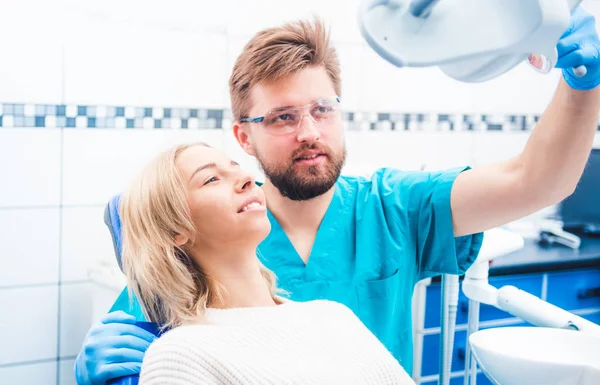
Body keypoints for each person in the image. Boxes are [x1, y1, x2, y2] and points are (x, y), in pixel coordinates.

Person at [75, 7, 600, 385]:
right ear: (243, 137)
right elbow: (149, 333)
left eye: (322, 109)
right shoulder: (215, 235)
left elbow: (536, 180)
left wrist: (582, 83)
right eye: (282, 117)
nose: (309, 131)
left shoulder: (394, 207)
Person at [118, 141, 415, 384]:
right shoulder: (179, 355)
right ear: (176, 231)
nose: (247, 178)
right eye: (211, 179)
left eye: (236, 168)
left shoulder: (333, 316)